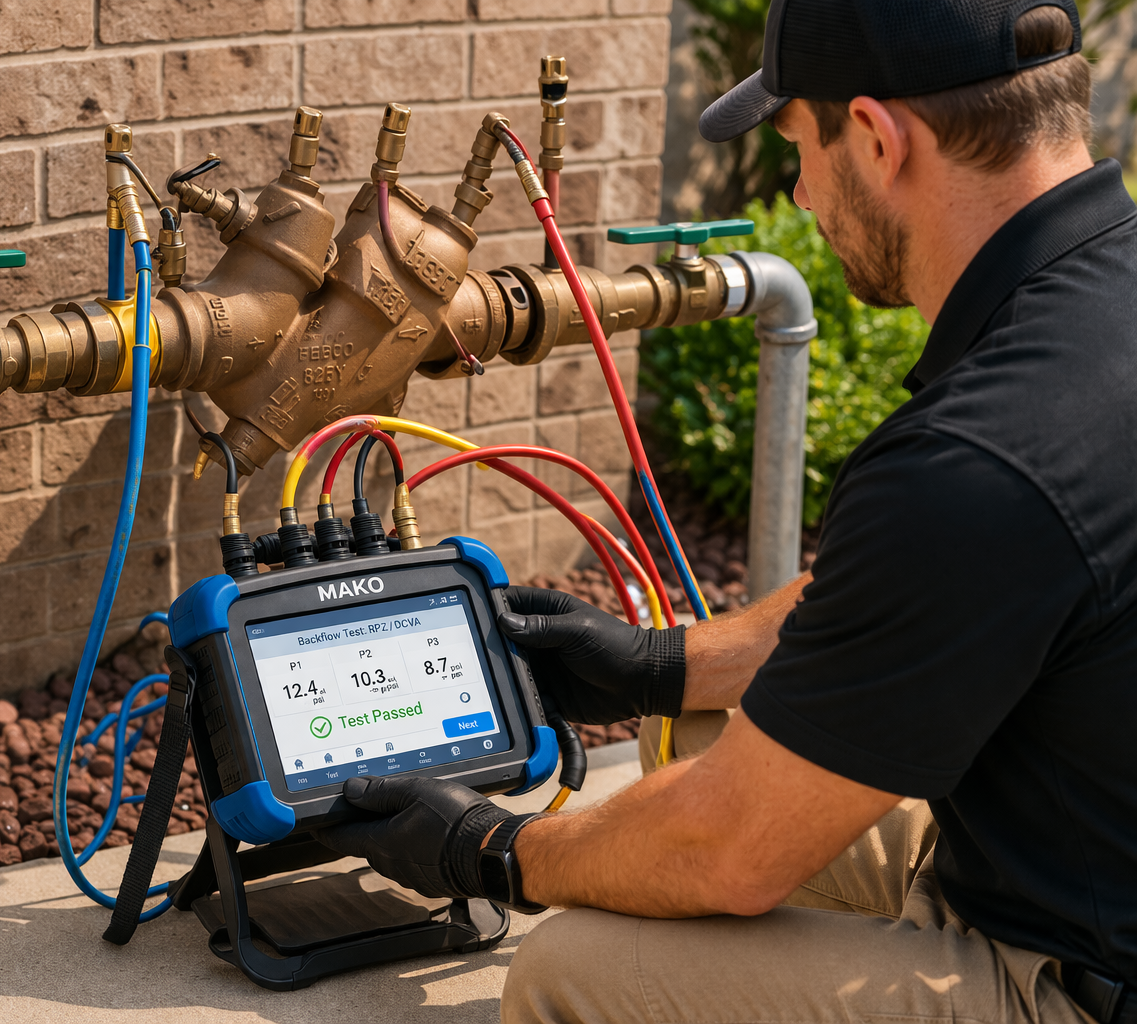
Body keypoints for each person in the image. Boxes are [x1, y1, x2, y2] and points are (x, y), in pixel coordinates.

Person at [314, 1, 1137, 1022]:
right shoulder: (1092, 312)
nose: (798, 192)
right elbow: (946, 587)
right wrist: (664, 664)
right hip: (1070, 859)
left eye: (800, 150)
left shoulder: (981, 454)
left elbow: (729, 853)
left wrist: (488, 847)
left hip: (1079, 976)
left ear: (878, 139)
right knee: (697, 733)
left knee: (572, 972)